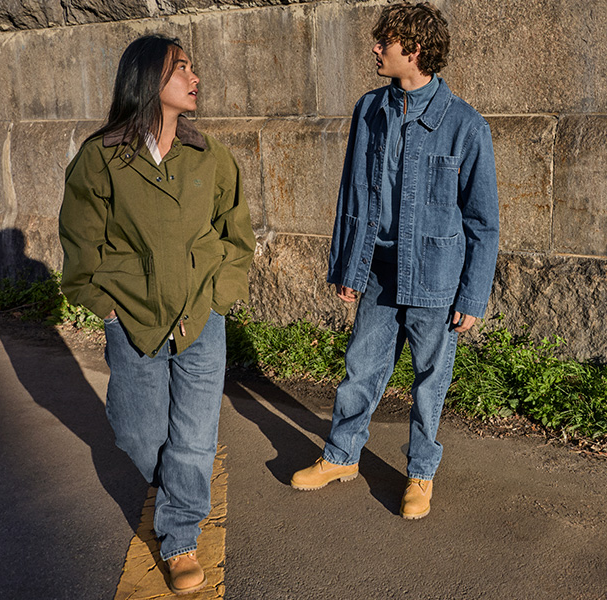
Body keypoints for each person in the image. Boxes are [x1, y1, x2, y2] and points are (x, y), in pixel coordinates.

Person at [58, 34, 253, 595]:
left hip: (200, 314)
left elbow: (234, 233)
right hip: (135, 319)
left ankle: (181, 538)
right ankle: (179, 492)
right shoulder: (102, 159)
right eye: (181, 69)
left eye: (192, 68)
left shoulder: (209, 154)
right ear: (147, 81)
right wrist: (107, 307)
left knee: (194, 434)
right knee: (137, 433)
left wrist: (221, 295)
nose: (195, 78)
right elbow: (80, 243)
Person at [291, 2, 499, 521]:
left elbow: (482, 221)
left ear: (417, 49)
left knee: (430, 379)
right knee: (361, 367)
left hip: (435, 275)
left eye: (386, 41)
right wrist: (346, 264)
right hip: (380, 268)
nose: (376, 48)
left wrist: (472, 295)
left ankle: (421, 475)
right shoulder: (370, 110)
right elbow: (352, 193)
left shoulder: (465, 125)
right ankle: (341, 456)